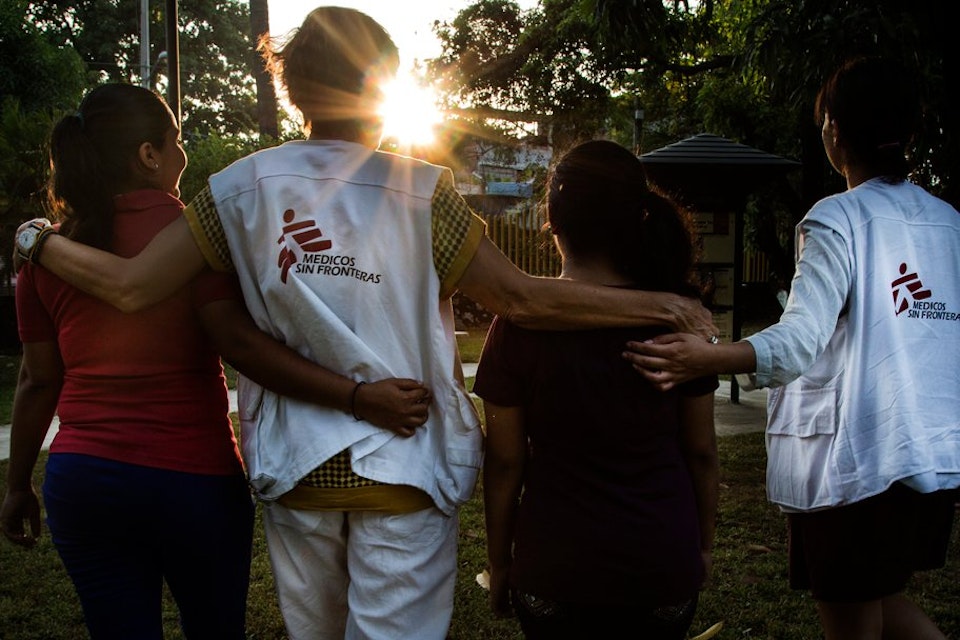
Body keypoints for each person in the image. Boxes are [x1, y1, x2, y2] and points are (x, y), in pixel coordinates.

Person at [12, 8, 716, 639]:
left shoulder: (234, 192)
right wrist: (664, 304)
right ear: (381, 84)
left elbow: (132, 288)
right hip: (405, 467)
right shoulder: (421, 191)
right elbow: (524, 299)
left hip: (297, 469)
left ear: (294, 90)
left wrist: (35, 241)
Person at [0, 83, 431, 640]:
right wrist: (356, 394)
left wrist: (16, 486)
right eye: (175, 141)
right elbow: (241, 344)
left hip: (85, 479)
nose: (183, 154)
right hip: (192, 478)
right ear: (149, 156)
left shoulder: (47, 253)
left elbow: (38, 380)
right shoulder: (200, 236)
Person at [624, 56, 960, 639]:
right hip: (927, 460)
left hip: (856, 465)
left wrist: (707, 356)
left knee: (853, 619)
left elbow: (801, 339)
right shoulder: (948, 221)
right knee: (884, 601)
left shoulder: (838, 219)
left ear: (832, 128)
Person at [474, 140, 719, 640]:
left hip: (554, 574)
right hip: (662, 568)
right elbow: (700, 452)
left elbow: (504, 463)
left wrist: (500, 563)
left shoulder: (518, 325)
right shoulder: (680, 314)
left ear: (553, 224)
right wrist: (702, 546)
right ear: (637, 219)